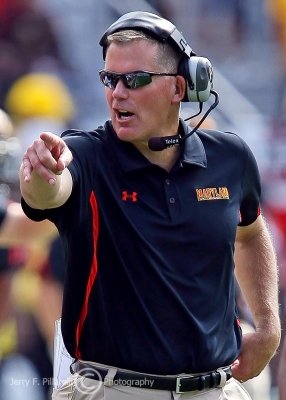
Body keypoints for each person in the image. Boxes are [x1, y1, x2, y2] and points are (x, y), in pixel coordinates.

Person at [19, 11, 281, 400]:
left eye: (135, 79)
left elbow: (250, 234)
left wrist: (268, 325)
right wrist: (42, 174)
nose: (118, 92)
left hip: (216, 389)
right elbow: (50, 192)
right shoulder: (85, 155)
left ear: (181, 87)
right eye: (110, 79)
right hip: (112, 390)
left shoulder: (231, 158)